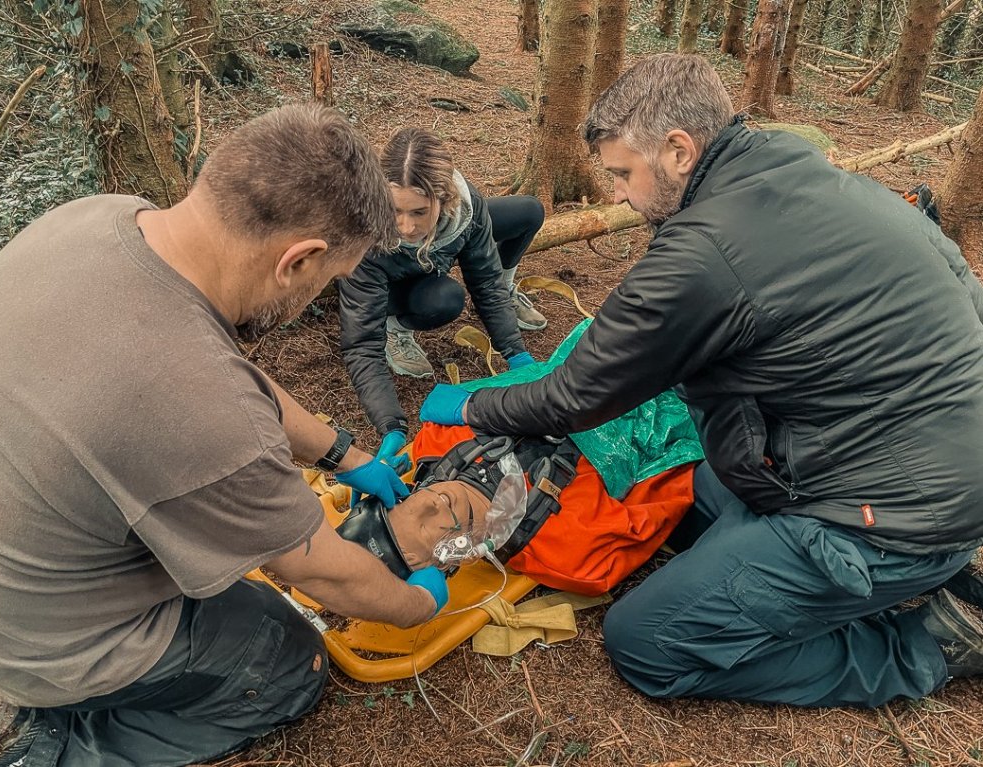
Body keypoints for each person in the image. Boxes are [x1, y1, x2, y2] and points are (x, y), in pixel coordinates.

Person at [419, 54, 983, 708]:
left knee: (648, 641)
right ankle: (902, 569)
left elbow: (573, 395)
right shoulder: (798, 171)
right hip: (928, 471)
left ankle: (928, 645)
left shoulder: (702, 251)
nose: (618, 196)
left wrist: (469, 402)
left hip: (884, 520)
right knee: (689, 490)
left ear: (680, 151)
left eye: (623, 174)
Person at [0, 104, 448, 767]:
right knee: (286, 657)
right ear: (298, 260)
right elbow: (316, 568)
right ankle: (51, 747)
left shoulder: (101, 219)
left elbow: (223, 370)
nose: (318, 296)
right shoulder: (202, 409)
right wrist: (418, 603)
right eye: (328, 281)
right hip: (30, 640)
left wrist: (341, 452)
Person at [338, 127, 546, 474]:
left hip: (432, 258)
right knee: (445, 298)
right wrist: (391, 426)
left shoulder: (467, 209)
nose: (405, 226)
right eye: (396, 210)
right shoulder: (364, 228)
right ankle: (397, 328)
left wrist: (515, 353)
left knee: (528, 211)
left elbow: (485, 281)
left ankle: (512, 305)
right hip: (387, 283)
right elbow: (361, 344)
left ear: (444, 199)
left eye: (419, 212)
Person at [337, 421, 697, 597]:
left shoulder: (438, 441)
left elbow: (536, 378)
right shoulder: (572, 552)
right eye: (422, 529)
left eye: (406, 507)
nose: (430, 503)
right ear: (449, 560)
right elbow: (667, 486)